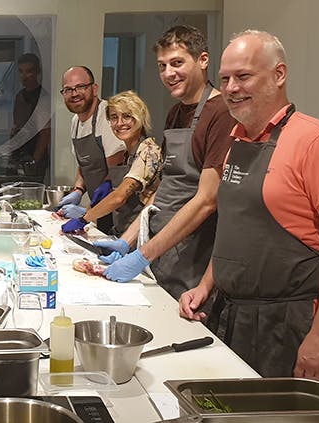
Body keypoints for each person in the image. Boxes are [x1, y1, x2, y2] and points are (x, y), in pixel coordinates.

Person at [178, 30, 319, 380]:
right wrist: (206, 285)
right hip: (228, 315)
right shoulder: (238, 142)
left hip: (284, 326)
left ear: (279, 75)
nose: (232, 88)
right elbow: (236, 228)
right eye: (225, 79)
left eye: (243, 76)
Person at [92, 25, 237, 300]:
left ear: (203, 60)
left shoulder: (221, 113)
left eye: (177, 63)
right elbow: (166, 186)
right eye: (162, 66)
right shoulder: (174, 114)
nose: (168, 73)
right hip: (163, 246)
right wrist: (128, 241)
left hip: (193, 252)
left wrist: (142, 255)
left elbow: (207, 199)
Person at [61, 91, 163, 236]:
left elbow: (119, 197)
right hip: (122, 229)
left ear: (140, 118)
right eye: (114, 117)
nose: (120, 123)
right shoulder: (127, 152)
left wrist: (84, 218)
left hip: (141, 236)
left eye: (127, 116)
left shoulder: (148, 151)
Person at [53, 66, 127, 233]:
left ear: (94, 89)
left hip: (117, 210)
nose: (74, 93)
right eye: (68, 90)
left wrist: (87, 212)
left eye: (80, 87)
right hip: (98, 208)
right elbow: (85, 164)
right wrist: (78, 190)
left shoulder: (108, 115)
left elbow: (115, 172)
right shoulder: (75, 122)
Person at [10, 53, 52, 181]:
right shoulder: (19, 96)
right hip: (19, 153)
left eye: (29, 71)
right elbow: (17, 126)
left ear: (37, 72)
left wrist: (34, 161)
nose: (24, 76)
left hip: (34, 156)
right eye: (21, 71)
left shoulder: (43, 98)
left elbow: (45, 133)